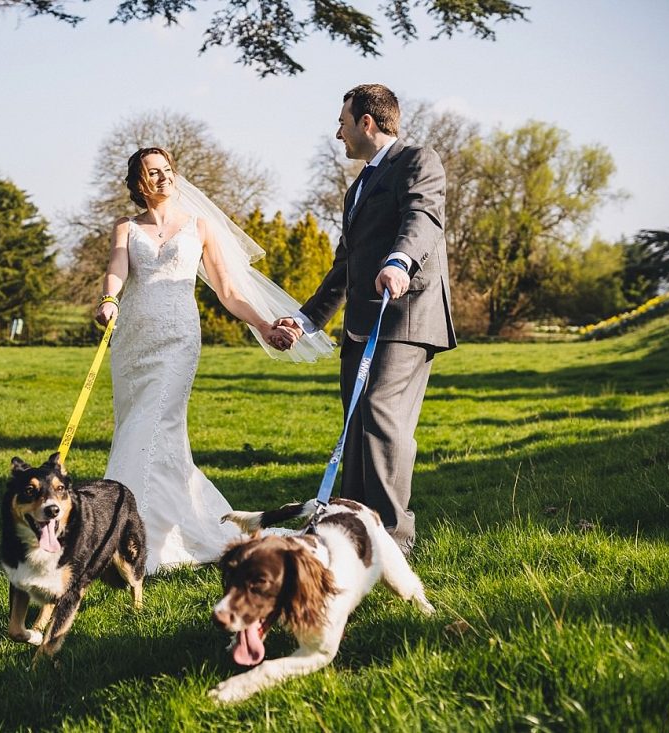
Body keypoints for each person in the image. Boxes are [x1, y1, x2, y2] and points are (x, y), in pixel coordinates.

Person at [95, 146, 332, 574]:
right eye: (154, 172)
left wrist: (263, 325)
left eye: (168, 170)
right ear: (138, 182)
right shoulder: (125, 228)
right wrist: (110, 298)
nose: (164, 178)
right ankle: (152, 523)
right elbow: (116, 269)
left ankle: (133, 541)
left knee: (154, 422)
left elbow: (228, 291)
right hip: (133, 339)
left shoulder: (199, 226)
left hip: (178, 339)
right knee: (135, 426)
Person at [275, 84, 456, 556]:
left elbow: (423, 216)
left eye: (342, 123)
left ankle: (395, 542)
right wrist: (307, 320)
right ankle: (356, 538)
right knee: (356, 428)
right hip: (361, 325)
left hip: (407, 315)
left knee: (380, 417)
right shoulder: (356, 189)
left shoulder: (419, 160)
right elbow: (345, 265)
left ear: (367, 123)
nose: (338, 134)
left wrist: (399, 261)